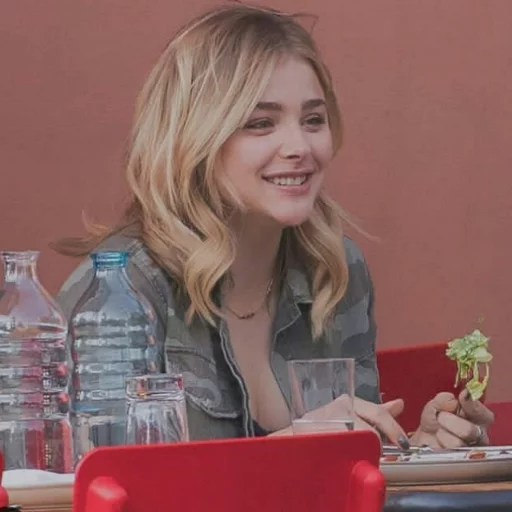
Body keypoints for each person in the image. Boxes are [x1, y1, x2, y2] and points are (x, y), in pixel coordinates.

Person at [54, 3, 494, 448]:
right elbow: (99, 479)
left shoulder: (335, 270)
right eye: (261, 124)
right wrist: (286, 449)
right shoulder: (120, 290)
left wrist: (418, 447)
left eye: (313, 120)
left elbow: (349, 466)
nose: (299, 146)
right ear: (195, 137)